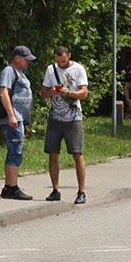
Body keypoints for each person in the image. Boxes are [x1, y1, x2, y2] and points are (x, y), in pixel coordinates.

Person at [41, 44, 89, 204]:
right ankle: (55, 189)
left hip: (73, 117)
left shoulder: (78, 69)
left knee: (77, 153)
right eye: (58, 61)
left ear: (69, 56)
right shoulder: (50, 70)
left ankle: (81, 190)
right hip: (55, 117)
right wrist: (54, 91)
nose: (61, 64)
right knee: (53, 153)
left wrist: (69, 93)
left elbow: (84, 92)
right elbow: (43, 92)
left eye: (63, 61)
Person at [0, 46, 36, 199]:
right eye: (26, 59)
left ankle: (8, 187)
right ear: (17, 57)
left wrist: (24, 122)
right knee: (15, 152)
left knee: (14, 150)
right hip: (12, 118)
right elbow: (3, 92)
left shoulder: (20, 73)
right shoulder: (9, 71)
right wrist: (11, 115)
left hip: (19, 119)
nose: (28, 63)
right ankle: (13, 187)